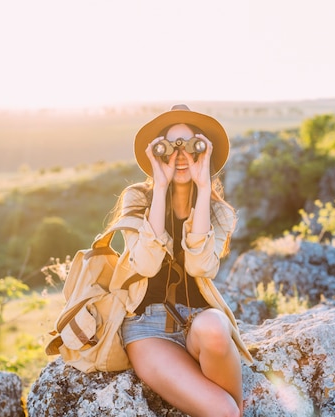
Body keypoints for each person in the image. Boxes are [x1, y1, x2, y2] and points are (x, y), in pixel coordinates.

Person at [106, 104, 253, 417]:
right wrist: (159, 188)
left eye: (192, 146)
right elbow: (145, 265)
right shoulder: (137, 198)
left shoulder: (219, 212)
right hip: (148, 328)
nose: (181, 155)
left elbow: (200, 267)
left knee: (215, 326)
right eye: (171, 147)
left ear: (205, 152)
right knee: (224, 412)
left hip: (199, 323)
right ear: (157, 154)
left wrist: (203, 187)